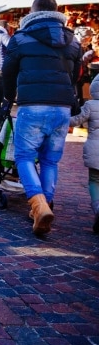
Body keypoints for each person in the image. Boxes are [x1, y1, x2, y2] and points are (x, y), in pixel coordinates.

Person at [2, 0, 81, 236]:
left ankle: (38, 206)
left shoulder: (21, 38)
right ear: (57, 12)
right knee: (50, 160)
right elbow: (76, 75)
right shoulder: (72, 41)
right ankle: (45, 203)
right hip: (62, 107)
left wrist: (8, 96)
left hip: (33, 104)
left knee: (25, 156)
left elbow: (8, 71)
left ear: (32, 12)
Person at [69, 76, 99, 234]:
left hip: (95, 153)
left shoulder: (90, 105)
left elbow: (76, 120)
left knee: (94, 180)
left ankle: (98, 207)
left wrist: (64, 120)